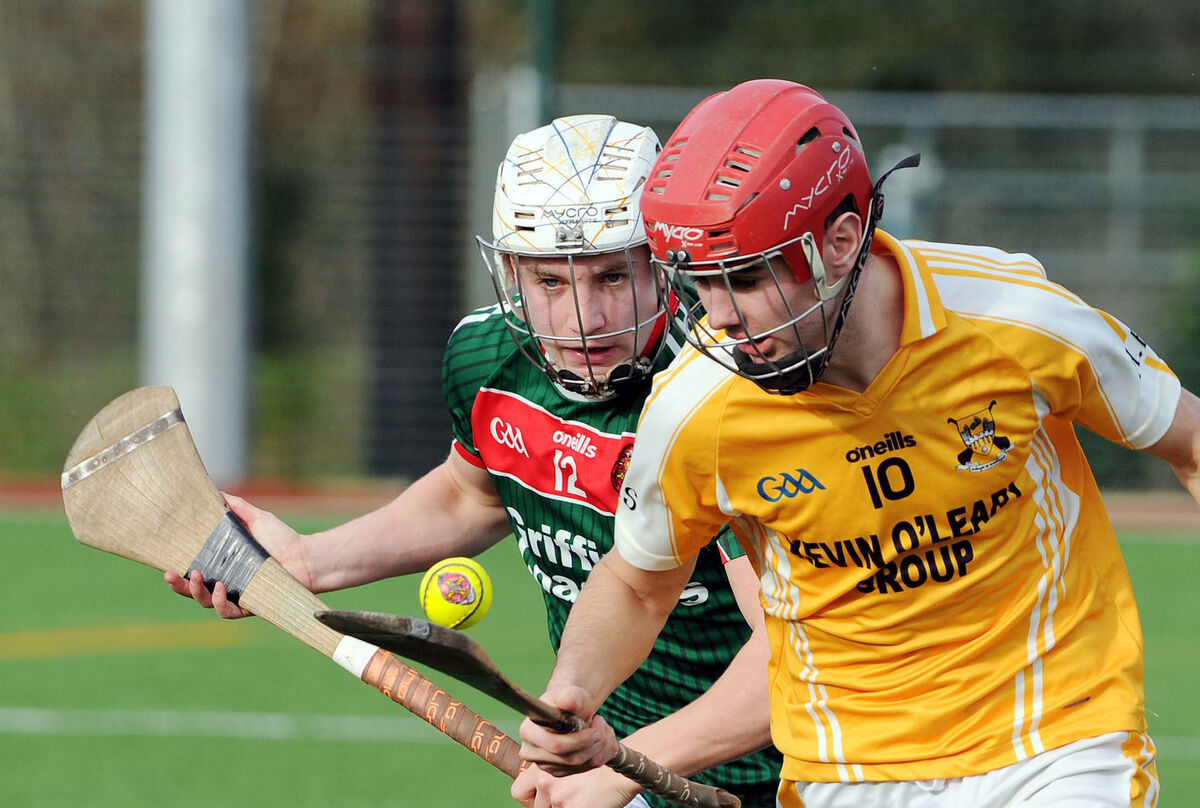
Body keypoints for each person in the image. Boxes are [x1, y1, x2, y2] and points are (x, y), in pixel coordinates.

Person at [516, 80, 1200, 808]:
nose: (721, 321)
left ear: (840, 242)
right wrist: (576, 689)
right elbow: (635, 579)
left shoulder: (1017, 319)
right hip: (845, 772)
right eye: (700, 286)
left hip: (1057, 741)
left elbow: (1189, 442)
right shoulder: (696, 408)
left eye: (745, 280)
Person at [165, 114, 781, 808]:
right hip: (614, 759)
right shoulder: (489, 361)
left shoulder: (727, 395)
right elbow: (472, 494)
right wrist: (309, 562)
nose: (583, 319)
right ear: (511, 273)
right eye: (551, 282)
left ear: (662, 264)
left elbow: (789, 656)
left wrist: (620, 772)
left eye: (612, 276)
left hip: (774, 777)